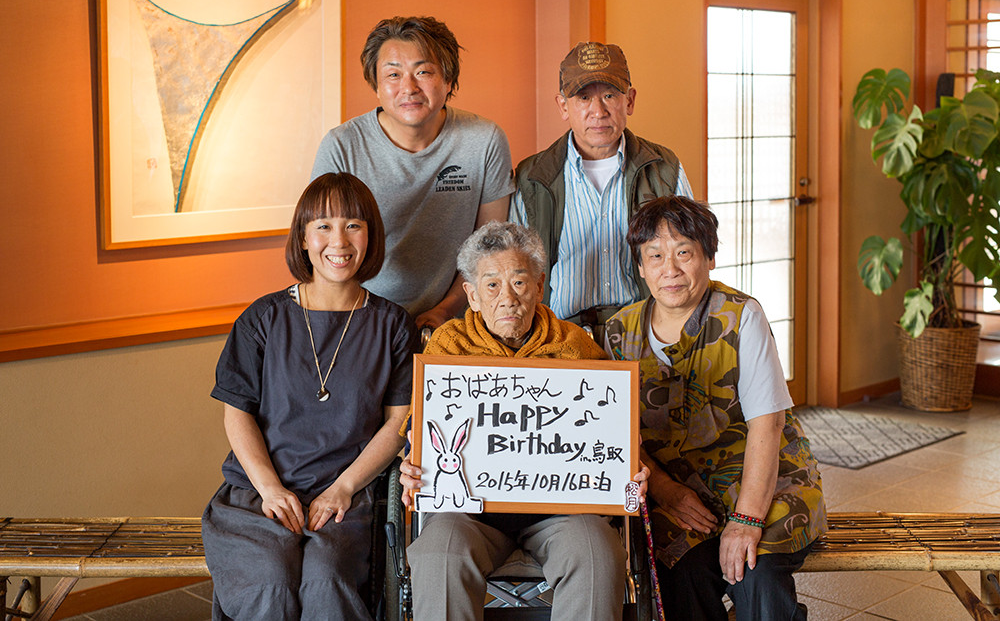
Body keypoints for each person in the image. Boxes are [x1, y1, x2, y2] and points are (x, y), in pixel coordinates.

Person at [398, 221, 648, 621]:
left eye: (519, 282)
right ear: (472, 295)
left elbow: (614, 435)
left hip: (561, 511)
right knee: (439, 552)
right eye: (492, 285)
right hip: (470, 512)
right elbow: (421, 435)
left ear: (539, 286)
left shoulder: (574, 345)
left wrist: (628, 472)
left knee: (597, 550)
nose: (508, 299)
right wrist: (413, 467)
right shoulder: (449, 347)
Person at [202, 173, 418, 620]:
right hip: (259, 490)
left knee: (327, 577)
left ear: (371, 236)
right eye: (323, 226)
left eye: (353, 225)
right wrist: (270, 488)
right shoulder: (262, 318)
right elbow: (237, 413)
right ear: (303, 238)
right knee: (270, 580)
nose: (339, 241)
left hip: (348, 494)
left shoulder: (394, 325)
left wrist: (344, 488)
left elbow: (399, 422)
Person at [604, 196, 826, 621]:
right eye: (655, 255)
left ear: (709, 257)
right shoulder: (618, 331)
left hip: (764, 481)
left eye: (684, 252)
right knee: (681, 571)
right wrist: (668, 492)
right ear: (640, 266)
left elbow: (768, 425)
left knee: (756, 570)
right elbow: (621, 435)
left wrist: (746, 519)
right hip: (680, 489)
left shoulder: (742, 316)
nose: (670, 269)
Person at [310, 16, 514, 330]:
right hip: (361, 319)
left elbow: (489, 248)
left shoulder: (484, 140)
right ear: (376, 86)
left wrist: (444, 312)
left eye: (423, 72)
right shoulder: (342, 146)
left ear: (448, 80)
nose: (409, 88)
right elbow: (323, 247)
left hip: (455, 321)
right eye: (393, 74)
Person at [510, 41, 695, 341]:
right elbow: (514, 271)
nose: (598, 111)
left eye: (609, 95)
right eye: (583, 97)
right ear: (563, 106)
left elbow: (690, 258)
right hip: (559, 337)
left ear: (629, 101)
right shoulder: (532, 177)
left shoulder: (664, 168)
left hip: (647, 334)